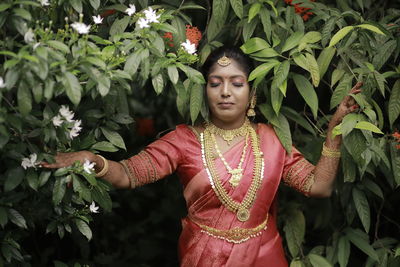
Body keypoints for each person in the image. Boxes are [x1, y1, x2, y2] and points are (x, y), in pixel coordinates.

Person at [42, 46, 362, 266]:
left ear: (252, 94)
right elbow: (129, 173)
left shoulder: (272, 139)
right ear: (204, 90)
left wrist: (335, 131)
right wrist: (91, 159)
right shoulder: (184, 140)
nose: (225, 92)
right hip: (204, 257)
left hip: (264, 256)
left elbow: (317, 186)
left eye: (236, 83)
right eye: (215, 83)